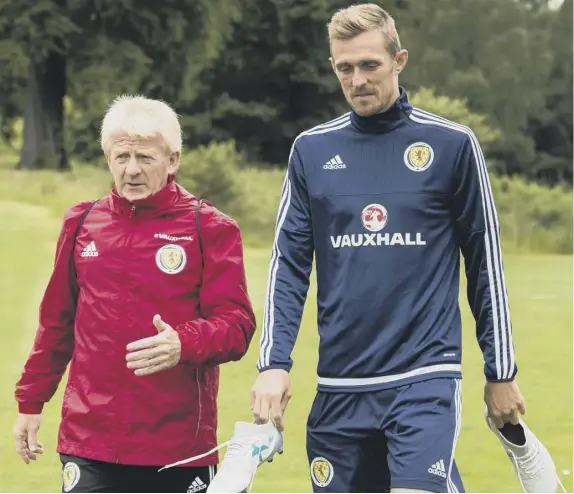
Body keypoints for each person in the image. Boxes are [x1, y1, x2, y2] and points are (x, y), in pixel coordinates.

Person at [208, 4, 560, 493]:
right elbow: (288, 266)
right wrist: (273, 365)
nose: (357, 79)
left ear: (399, 61)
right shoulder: (310, 151)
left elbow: (485, 264)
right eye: (344, 67)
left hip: (425, 377)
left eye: (369, 64)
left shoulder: (452, 145)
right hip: (340, 385)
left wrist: (500, 371)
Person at [12, 95, 257, 493]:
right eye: (120, 157)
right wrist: (31, 403)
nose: (131, 170)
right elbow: (57, 321)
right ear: (107, 157)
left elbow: (238, 325)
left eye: (144, 157)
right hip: (89, 441)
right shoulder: (82, 222)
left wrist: (183, 342)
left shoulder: (209, 227)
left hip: (177, 445)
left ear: (173, 159)